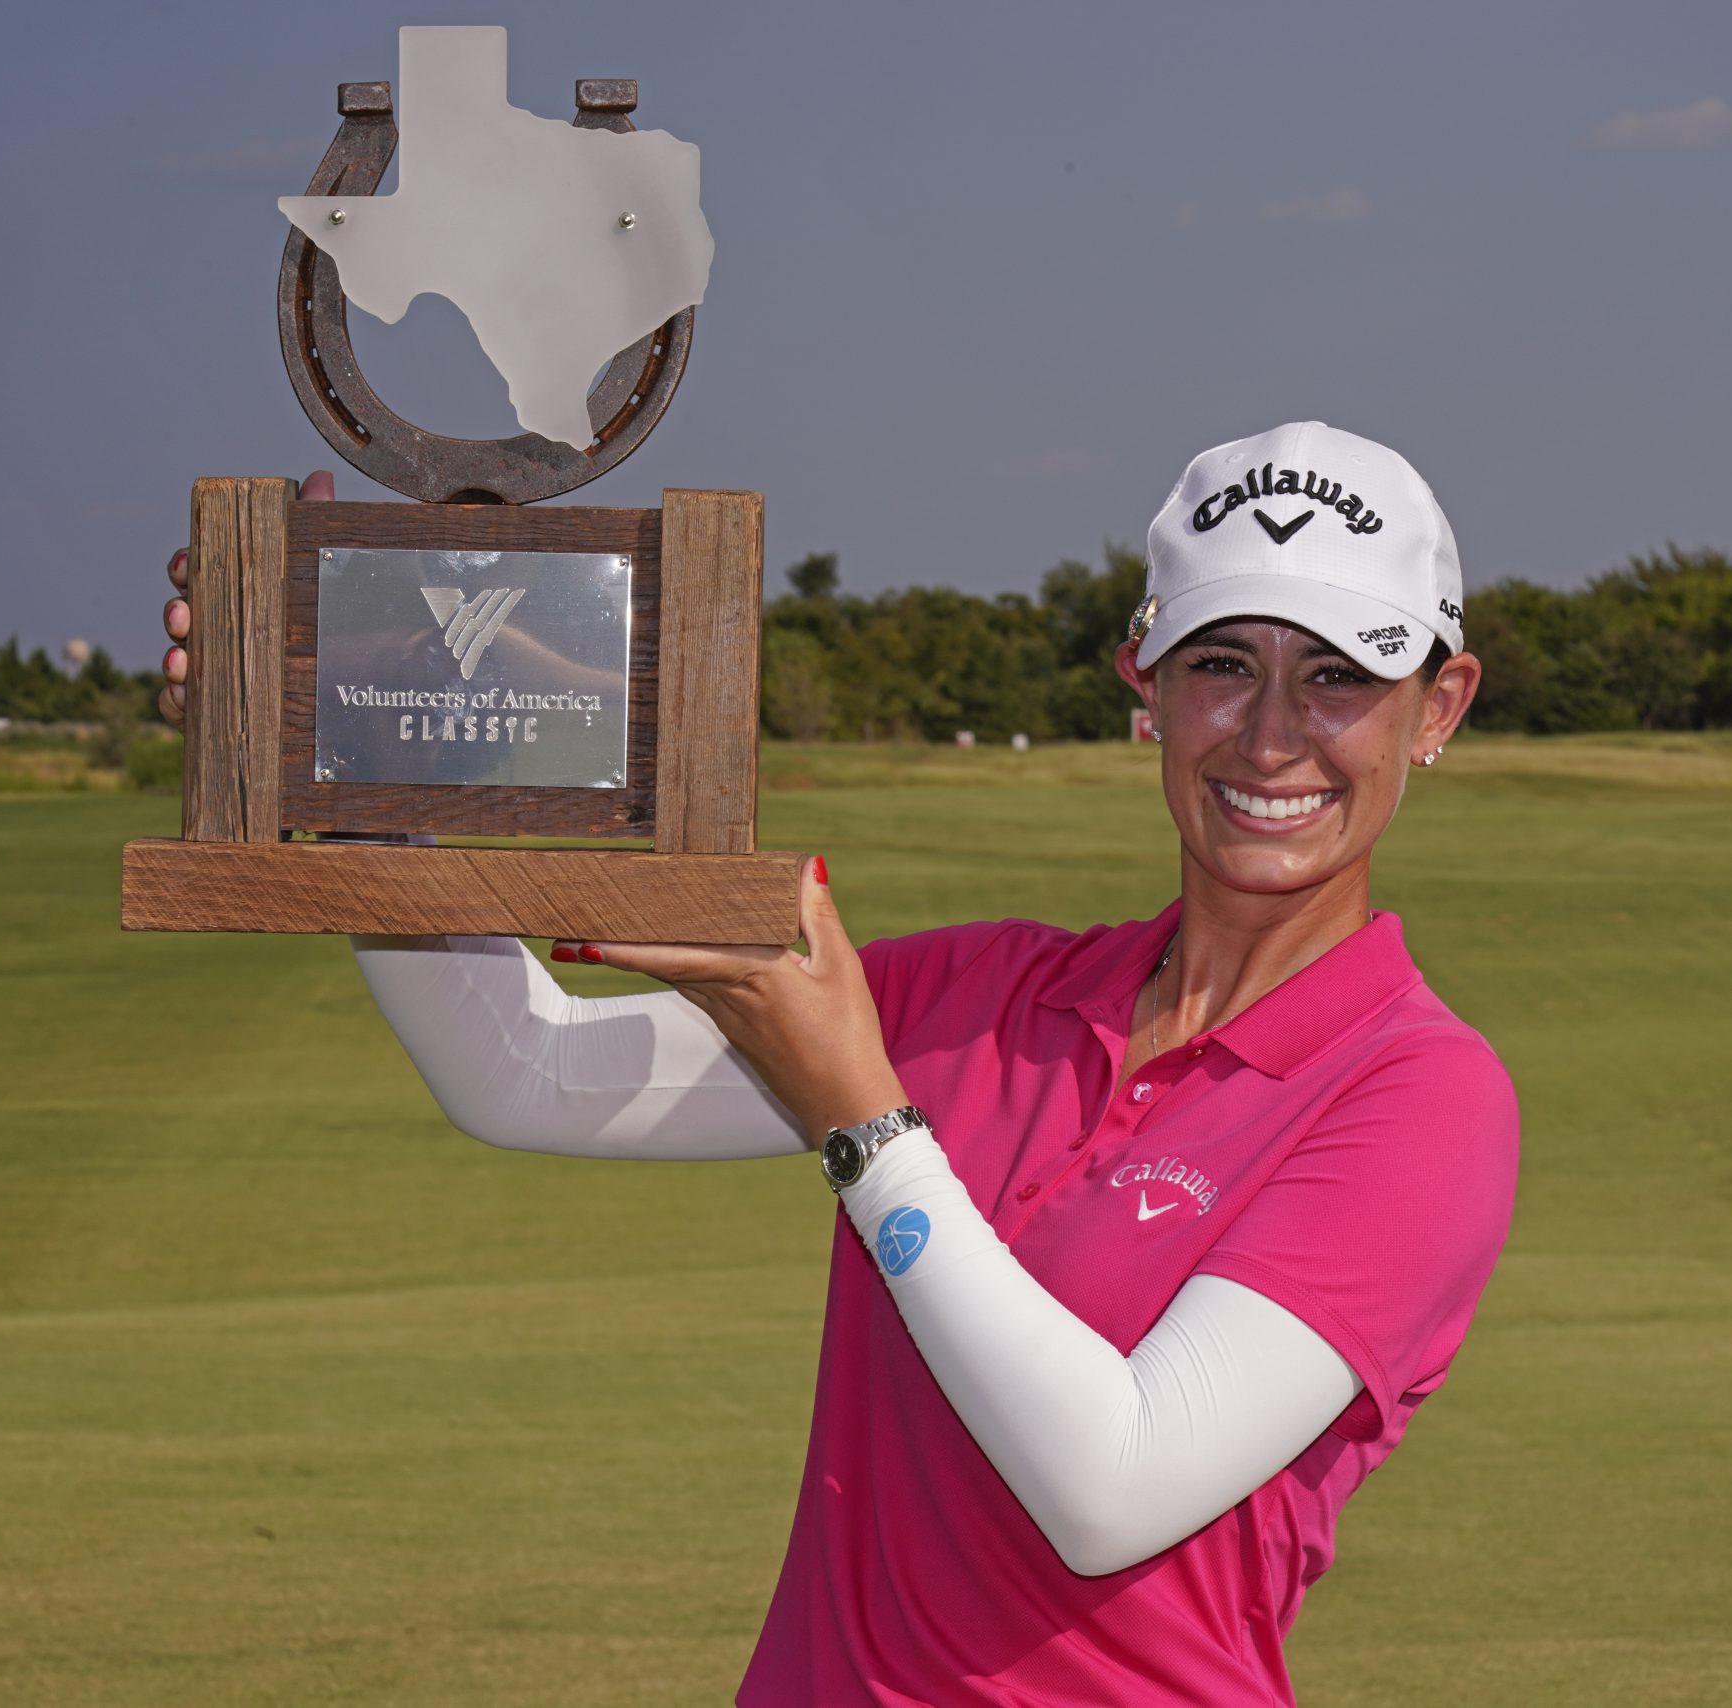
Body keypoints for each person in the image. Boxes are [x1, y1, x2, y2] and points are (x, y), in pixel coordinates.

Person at [159, 421, 1519, 1705]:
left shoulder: (1422, 1097)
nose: (1273, 734)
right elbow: (525, 1069)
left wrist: (864, 1121)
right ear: (1145, 686)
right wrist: (339, 771)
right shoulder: (991, 994)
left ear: (1437, 705)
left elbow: (1113, 1487)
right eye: (1224, 664)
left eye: (1342, 672)